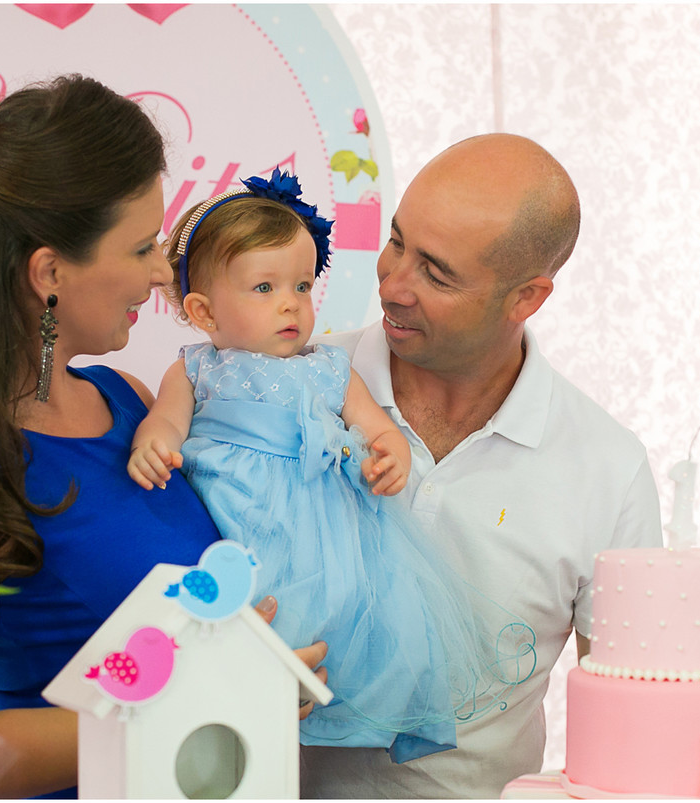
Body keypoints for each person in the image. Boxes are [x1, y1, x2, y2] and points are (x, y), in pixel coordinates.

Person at [0, 76, 327, 799]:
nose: (162, 270)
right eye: (143, 246)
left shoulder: (132, 403)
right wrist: (199, 700)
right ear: (50, 272)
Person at [298, 134, 663, 798]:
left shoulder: (608, 470)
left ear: (527, 298)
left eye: (436, 274)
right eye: (396, 241)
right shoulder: (286, 384)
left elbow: (631, 733)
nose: (393, 284)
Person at [127, 169, 533, 765]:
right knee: (252, 620)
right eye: (264, 288)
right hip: (237, 518)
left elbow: (376, 427)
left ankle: (352, 711)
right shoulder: (196, 368)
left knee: (359, 615)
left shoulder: (329, 367)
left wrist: (389, 453)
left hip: (324, 531)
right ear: (204, 311)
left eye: (301, 285)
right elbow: (166, 420)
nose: (290, 303)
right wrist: (154, 444)